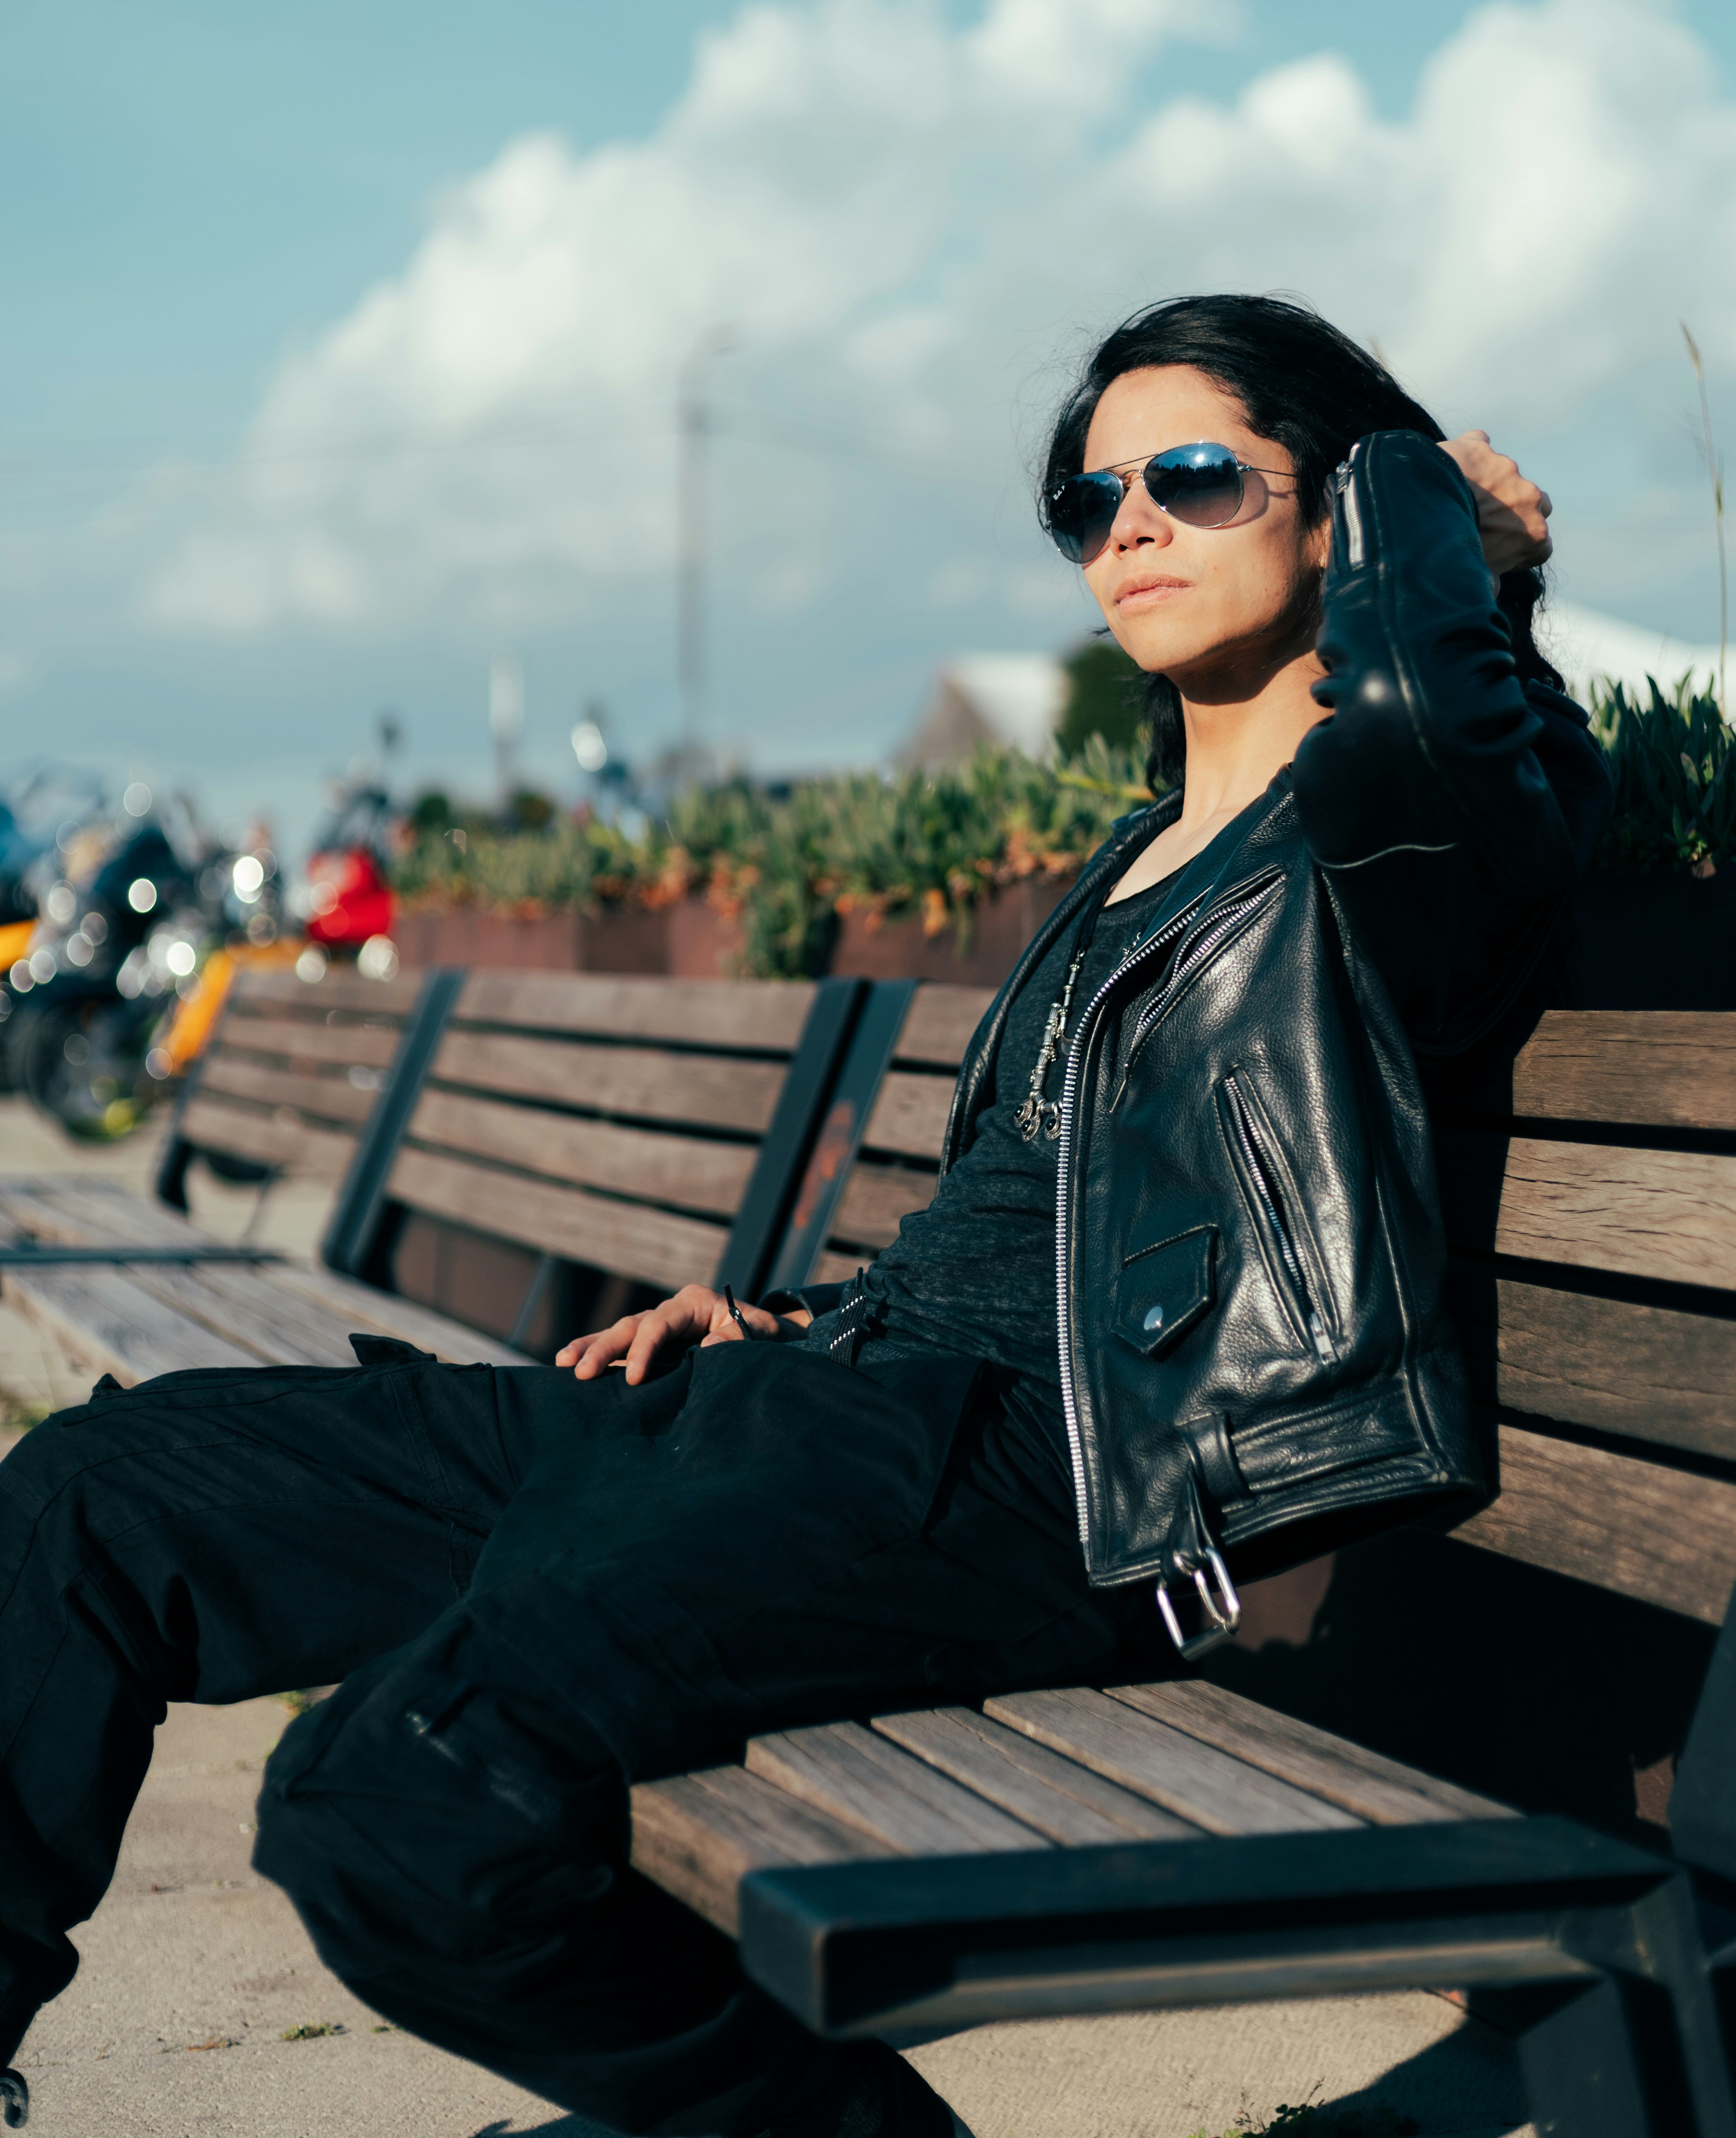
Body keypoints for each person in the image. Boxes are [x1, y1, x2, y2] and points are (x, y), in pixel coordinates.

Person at [0, 295, 1608, 2138]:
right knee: (102, 1496)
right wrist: (792, 1318)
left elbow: (1420, 711)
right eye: (1092, 504)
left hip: (1033, 1483)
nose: (1130, 529)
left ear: (1343, 508)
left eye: (1192, 478)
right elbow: (1026, 1231)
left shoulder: (1423, 829)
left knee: (404, 1794)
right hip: (832, 1402)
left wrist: (1432, 510)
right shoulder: (1143, 848)